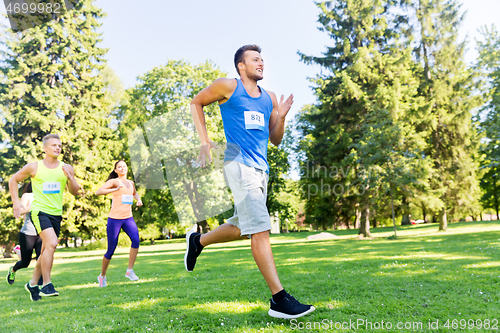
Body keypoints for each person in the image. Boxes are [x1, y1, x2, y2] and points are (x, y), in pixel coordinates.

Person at [185, 45, 315, 319]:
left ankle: (199, 241)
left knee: (245, 225)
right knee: (260, 230)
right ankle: (279, 300)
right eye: (255, 59)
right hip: (238, 164)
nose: (261, 63)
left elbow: (275, 138)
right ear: (241, 66)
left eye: (262, 59)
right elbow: (196, 102)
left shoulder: (269, 98)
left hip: (261, 168)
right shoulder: (228, 87)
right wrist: (204, 141)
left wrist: (282, 116)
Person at [9, 134, 83, 301]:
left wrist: (71, 179)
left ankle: (33, 283)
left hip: (56, 213)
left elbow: (75, 191)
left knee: (46, 250)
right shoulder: (34, 167)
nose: (58, 148)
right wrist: (16, 203)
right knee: (52, 243)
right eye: (54, 145)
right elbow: (13, 180)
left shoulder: (66, 168)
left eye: (59, 145)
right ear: (45, 148)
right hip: (39, 211)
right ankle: (47, 284)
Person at [95, 160, 143, 287]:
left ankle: (129, 271)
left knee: (136, 240)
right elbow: (98, 192)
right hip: (114, 219)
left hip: (128, 218)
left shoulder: (131, 183)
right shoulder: (115, 181)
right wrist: (114, 189)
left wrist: (138, 199)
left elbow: (134, 193)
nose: (122, 169)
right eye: (119, 167)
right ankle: (102, 276)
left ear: (127, 168)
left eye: (124, 166)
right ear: (115, 170)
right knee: (111, 249)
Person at [6, 183, 43, 286]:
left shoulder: (44, 196)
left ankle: (40, 285)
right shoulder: (27, 195)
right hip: (28, 234)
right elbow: (20, 212)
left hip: (42, 233)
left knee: (42, 258)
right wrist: (32, 206)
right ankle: (12, 271)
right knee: (25, 263)